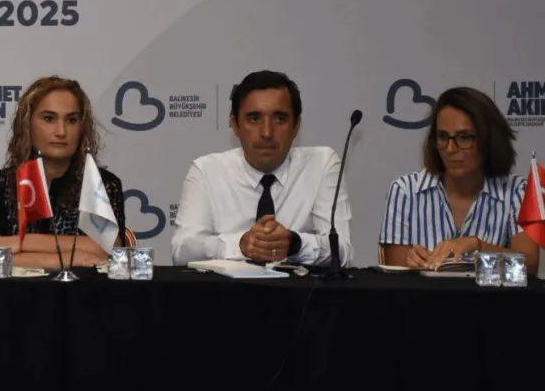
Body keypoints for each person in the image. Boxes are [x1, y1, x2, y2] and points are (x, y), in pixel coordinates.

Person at [170, 70, 352, 266]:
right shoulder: (207, 170)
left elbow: (342, 252)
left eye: (279, 118)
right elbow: (182, 250)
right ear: (235, 125)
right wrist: (240, 245)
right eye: (254, 118)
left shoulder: (322, 164)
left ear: (296, 126)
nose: (267, 133)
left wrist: (295, 244)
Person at [0, 76, 125, 268]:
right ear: (27, 124)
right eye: (49, 118)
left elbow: (107, 248)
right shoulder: (0, 184)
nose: (61, 131)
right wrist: (69, 259)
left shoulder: (101, 183)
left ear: (82, 127)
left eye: (71, 120)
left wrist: (21, 243)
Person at [379, 86, 539, 271]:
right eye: (442, 137)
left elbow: (529, 265)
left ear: (489, 140)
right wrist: (412, 262)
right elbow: (393, 273)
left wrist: (478, 246)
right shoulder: (405, 191)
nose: (450, 149)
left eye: (464, 137)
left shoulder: (517, 191)